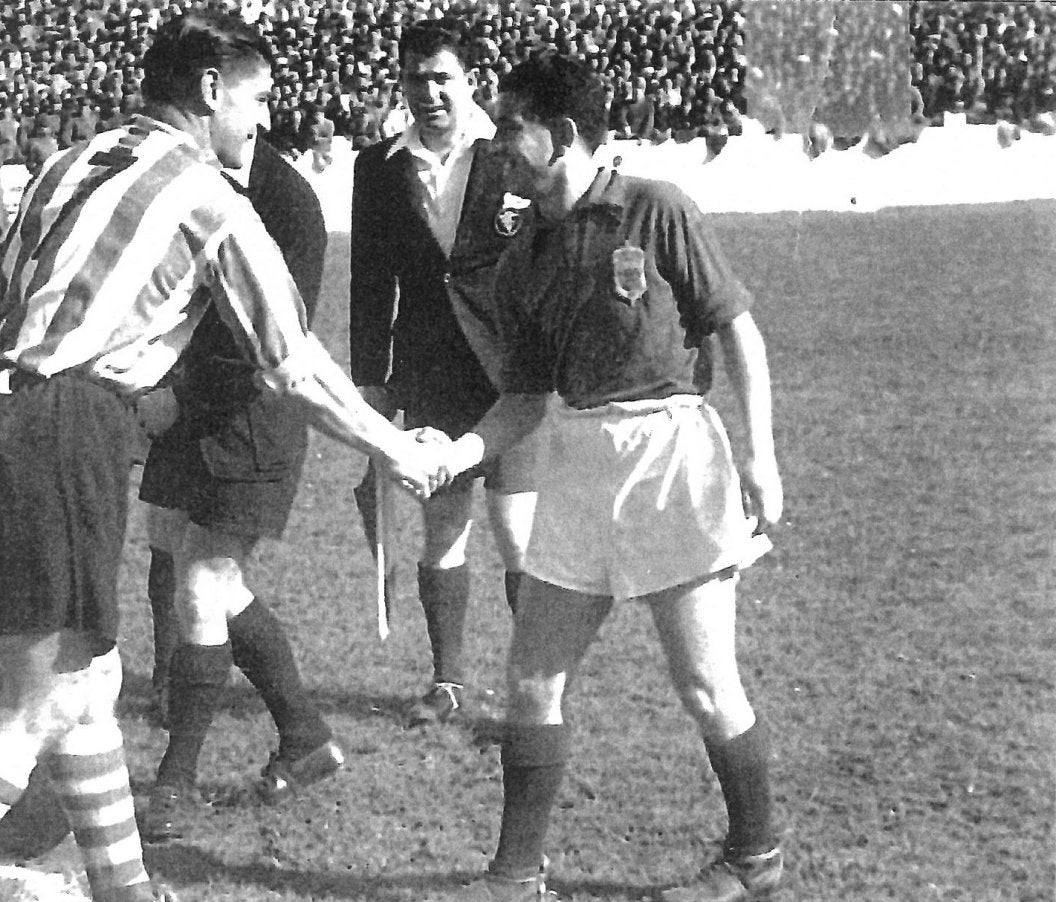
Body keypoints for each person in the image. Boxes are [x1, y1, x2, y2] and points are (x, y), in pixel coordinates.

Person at [0, 10, 443, 902]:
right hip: (66, 430)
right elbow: (290, 362)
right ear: (212, 92)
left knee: (88, 683)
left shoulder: (68, 164)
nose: (261, 122)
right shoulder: (210, 198)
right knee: (38, 703)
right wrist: (393, 447)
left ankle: (123, 888)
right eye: (255, 101)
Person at [434, 54, 784, 902]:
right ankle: (516, 875)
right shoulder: (524, 258)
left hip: (671, 457)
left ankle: (755, 858)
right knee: (531, 679)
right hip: (579, 463)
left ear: (559, 134)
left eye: (510, 123)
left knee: (705, 684)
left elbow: (737, 333)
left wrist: (760, 452)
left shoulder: (655, 209)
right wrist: (458, 453)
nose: (498, 140)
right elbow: (522, 398)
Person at [136, 128, 332, 842]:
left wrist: (176, 396)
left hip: (254, 413)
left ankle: (175, 781)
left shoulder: (287, 204)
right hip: (192, 408)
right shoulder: (187, 182)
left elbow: (270, 339)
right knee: (205, 579)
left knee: (202, 583)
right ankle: (305, 736)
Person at [348, 18, 537, 728]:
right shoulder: (378, 167)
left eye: (441, 78)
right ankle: (447, 680)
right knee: (443, 528)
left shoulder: (512, 154)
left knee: (521, 533)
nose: (427, 92)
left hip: (512, 377)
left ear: (470, 81)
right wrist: (371, 383)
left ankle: (531, 685)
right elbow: (370, 282)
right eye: (414, 79)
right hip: (430, 375)